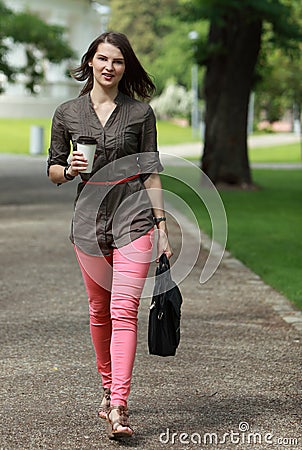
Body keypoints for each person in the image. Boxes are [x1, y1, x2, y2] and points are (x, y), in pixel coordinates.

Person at [47, 31, 172, 440]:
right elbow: (53, 171)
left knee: (123, 310)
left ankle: (118, 405)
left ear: (125, 67)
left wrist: (163, 227)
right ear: (90, 62)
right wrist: (69, 169)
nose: (108, 67)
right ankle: (106, 387)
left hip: (134, 221)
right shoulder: (67, 113)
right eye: (102, 59)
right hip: (88, 226)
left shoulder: (140, 115)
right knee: (99, 310)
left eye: (117, 61)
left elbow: (151, 172)